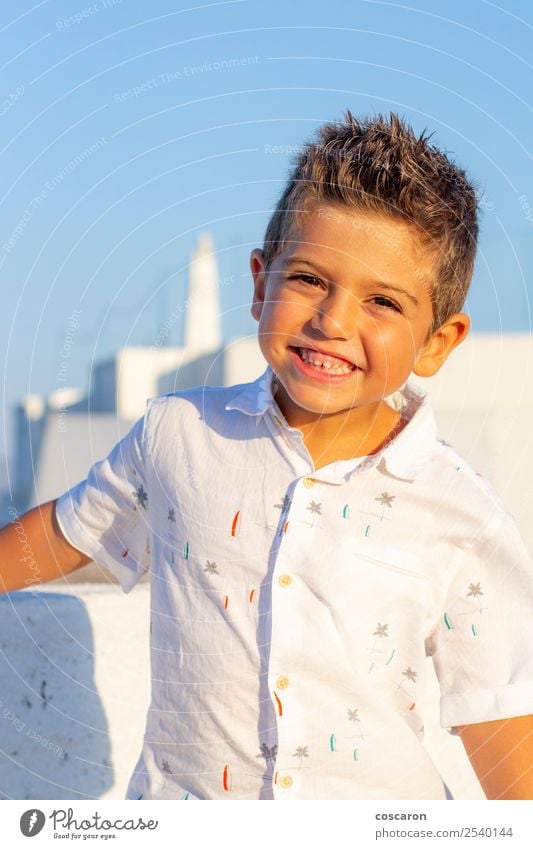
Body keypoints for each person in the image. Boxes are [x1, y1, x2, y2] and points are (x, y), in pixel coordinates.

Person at [1, 112, 532, 801]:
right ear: (260, 283)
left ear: (436, 341)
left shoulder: (458, 508)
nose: (333, 321)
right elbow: (63, 533)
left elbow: (499, 713)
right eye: (310, 279)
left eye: (381, 300)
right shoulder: (178, 434)